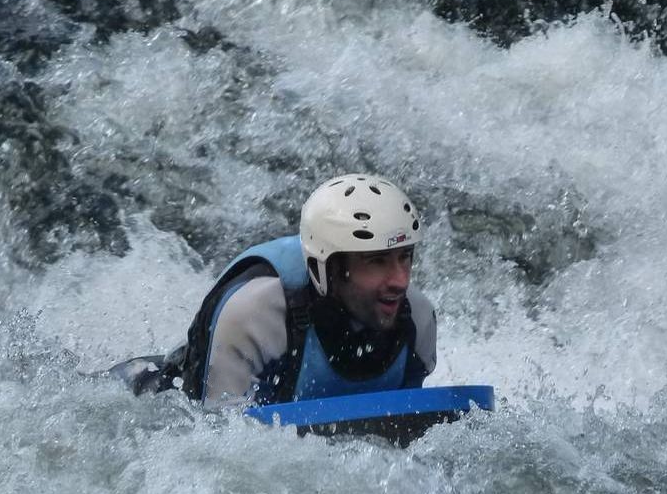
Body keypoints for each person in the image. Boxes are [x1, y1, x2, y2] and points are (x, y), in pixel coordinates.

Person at [114, 174, 436, 406]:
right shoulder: (254, 314)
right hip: (149, 398)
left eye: (404, 257)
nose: (399, 281)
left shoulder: (417, 321)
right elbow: (214, 445)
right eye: (376, 262)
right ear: (327, 269)